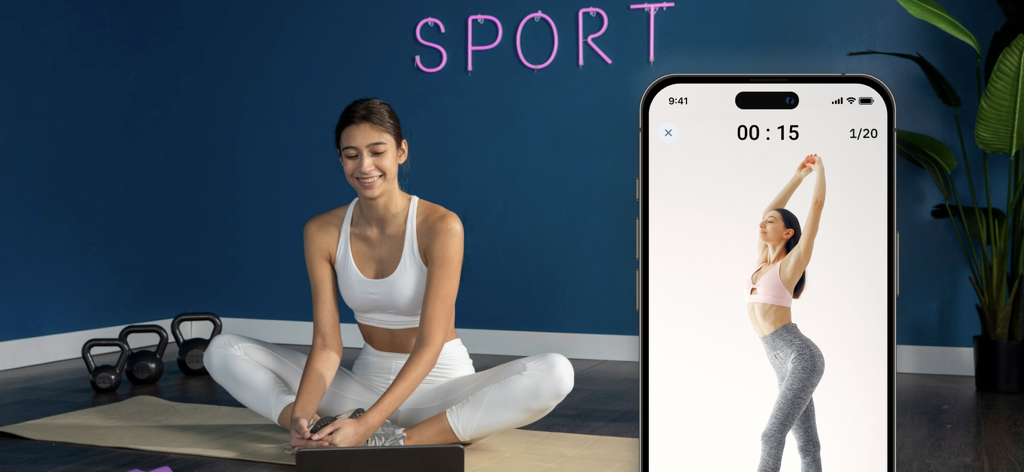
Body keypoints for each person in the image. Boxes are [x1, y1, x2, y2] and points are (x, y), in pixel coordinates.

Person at [204, 98, 575, 452]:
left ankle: (399, 440)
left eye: (377, 151)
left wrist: (368, 426)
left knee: (556, 372)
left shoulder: (441, 226)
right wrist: (299, 415)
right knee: (221, 350)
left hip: (442, 388)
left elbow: (429, 344)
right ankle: (316, 432)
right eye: (351, 155)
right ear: (341, 160)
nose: (365, 166)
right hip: (363, 388)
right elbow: (328, 345)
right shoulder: (321, 231)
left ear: (401, 152)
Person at [745, 154, 826, 472]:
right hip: (778, 359)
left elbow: (816, 205)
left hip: (800, 357)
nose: (763, 223)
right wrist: (797, 177)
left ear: (788, 233)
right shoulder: (762, 263)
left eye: (771, 222)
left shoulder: (790, 265)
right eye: (763, 222)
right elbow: (769, 210)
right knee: (807, 443)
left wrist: (819, 171)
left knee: (771, 435)